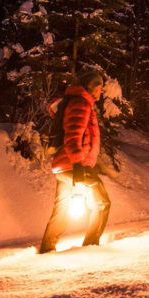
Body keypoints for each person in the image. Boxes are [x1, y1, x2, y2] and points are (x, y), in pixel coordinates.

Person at [39, 71, 110, 253]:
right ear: (93, 87)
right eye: (100, 87)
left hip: (64, 166)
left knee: (62, 209)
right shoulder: (81, 103)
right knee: (101, 203)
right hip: (74, 165)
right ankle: (91, 246)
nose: (101, 92)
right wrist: (79, 164)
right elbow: (72, 136)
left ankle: (47, 248)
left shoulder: (78, 102)